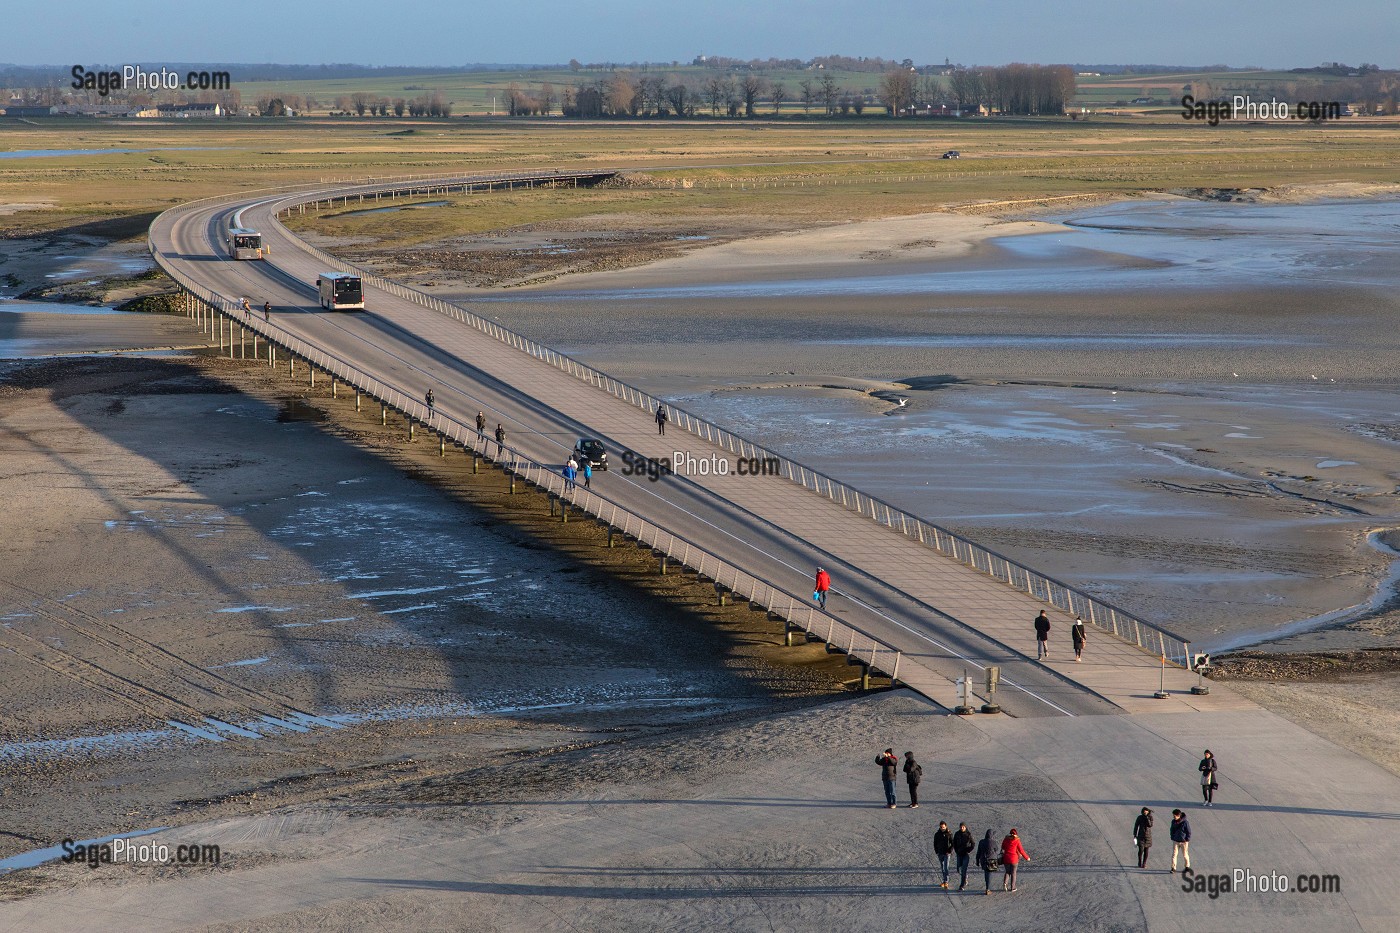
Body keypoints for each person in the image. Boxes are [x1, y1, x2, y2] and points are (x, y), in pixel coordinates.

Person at [953, 823, 976, 891]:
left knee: (963, 870)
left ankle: (962, 885)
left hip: (966, 854)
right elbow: (954, 843)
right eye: (961, 827)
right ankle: (965, 877)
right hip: (959, 854)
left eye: (963, 827)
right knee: (958, 869)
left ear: (965, 827)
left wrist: (969, 850)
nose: (962, 828)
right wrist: (956, 850)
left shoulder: (968, 834)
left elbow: (973, 844)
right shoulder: (957, 834)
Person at [975, 829, 998, 895]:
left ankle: (987, 887)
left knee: (986, 873)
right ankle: (988, 888)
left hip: (983, 860)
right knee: (989, 874)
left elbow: (978, 852)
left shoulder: (981, 842)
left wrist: (977, 860)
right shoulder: (993, 842)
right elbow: (997, 850)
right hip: (991, 860)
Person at [933, 821, 954, 889]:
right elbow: (935, 843)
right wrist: (937, 852)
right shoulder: (937, 834)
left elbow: (953, 843)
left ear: (946, 826)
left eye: (943, 827)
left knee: (946, 867)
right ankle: (944, 880)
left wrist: (950, 851)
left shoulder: (949, 834)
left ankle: (946, 882)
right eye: (941, 827)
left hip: (947, 853)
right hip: (940, 853)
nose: (942, 828)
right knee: (942, 867)